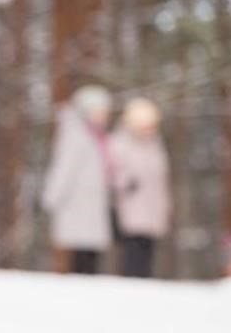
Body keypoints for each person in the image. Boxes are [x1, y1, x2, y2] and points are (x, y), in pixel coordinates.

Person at [42, 85, 114, 274]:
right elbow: (64, 169)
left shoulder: (98, 136)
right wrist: (52, 197)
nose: (103, 115)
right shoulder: (75, 136)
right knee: (79, 251)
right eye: (99, 111)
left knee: (90, 251)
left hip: (91, 202)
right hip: (77, 202)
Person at [108, 97, 172, 278]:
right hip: (129, 206)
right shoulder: (119, 142)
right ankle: (130, 284)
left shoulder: (155, 144)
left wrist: (166, 207)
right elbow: (112, 171)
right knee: (132, 249)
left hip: (152, 206)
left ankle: (144, 284)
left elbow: (161, 178)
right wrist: (124, 182)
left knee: (148, 249)